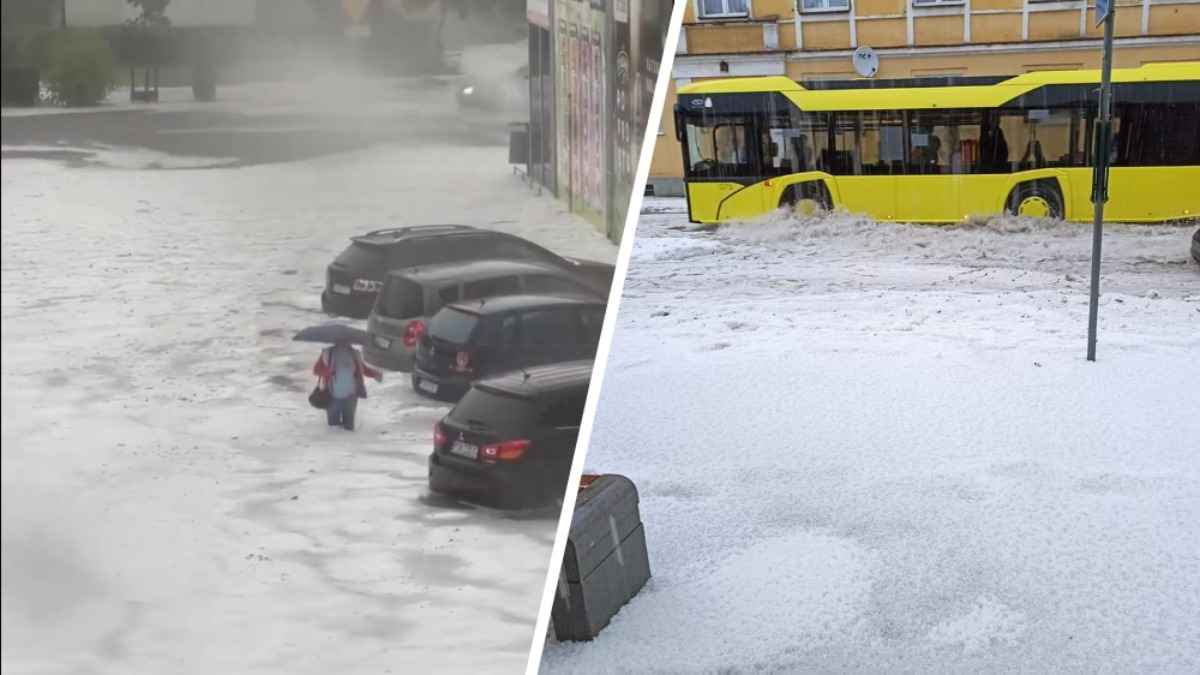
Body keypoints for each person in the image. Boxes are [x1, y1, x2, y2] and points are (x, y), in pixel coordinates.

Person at [313, 341, 381, 431]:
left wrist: (375, 374)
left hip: (350, 395)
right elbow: (317, 370)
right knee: (334, 428)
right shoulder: (327, 353)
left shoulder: (354, 353)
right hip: (332, 395)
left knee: (347, 428)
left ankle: (346, 444)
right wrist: (330, 372)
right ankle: (338, 444)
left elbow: (362, 369)